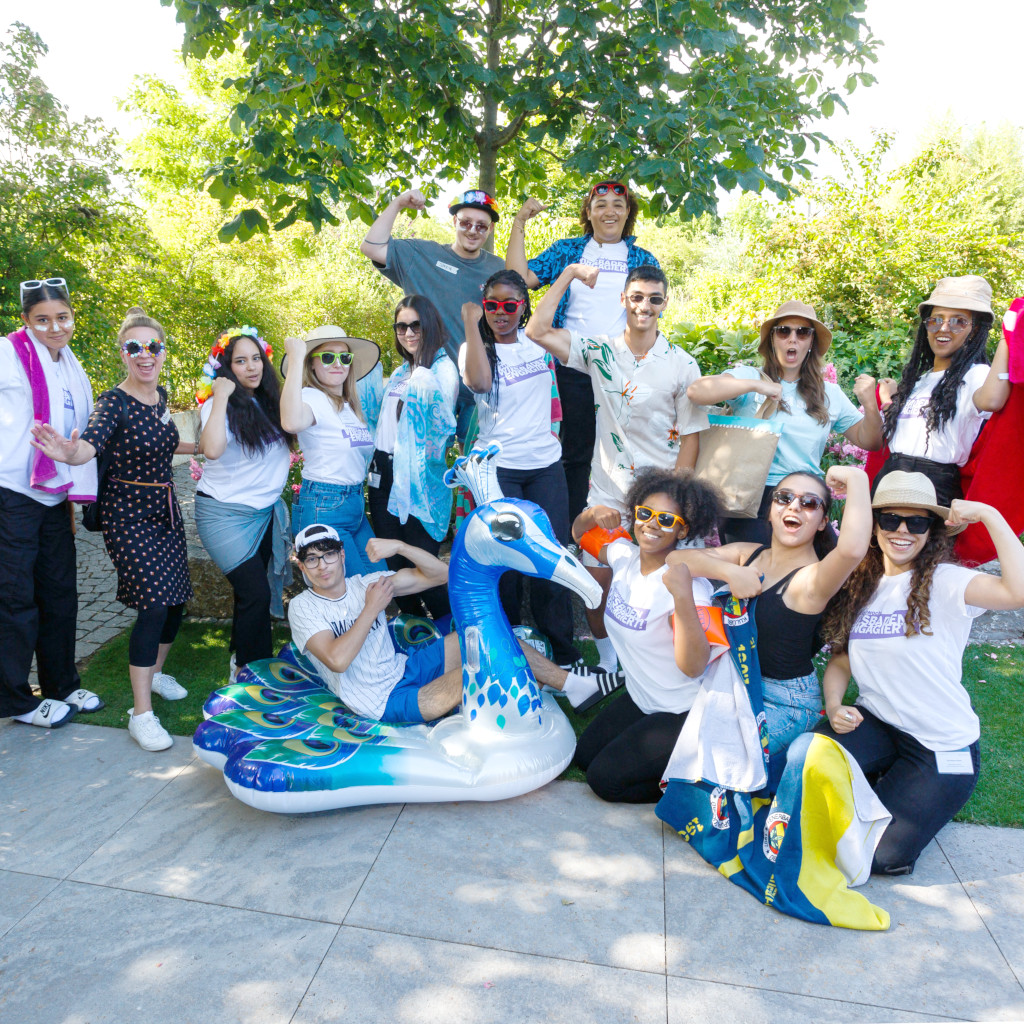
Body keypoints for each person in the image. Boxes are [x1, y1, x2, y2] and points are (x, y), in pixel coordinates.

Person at [817, 471, 1024, 875]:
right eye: (891, 518)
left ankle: (911, 794)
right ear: (875, 524)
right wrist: (834, 703)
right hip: (878, 722)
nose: (902, 530)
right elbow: (841, 660)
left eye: (917, 521)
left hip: (941, 744)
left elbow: (1016, 592)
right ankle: (885, 784)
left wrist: (988, 514)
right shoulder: (863, 584)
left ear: (932, 530)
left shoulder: (946, 582)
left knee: (883, 857)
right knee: (806, 765)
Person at [526, 262, 708, 671]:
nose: (645, 306)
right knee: (596, 587)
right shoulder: (598, 350)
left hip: (659, 501)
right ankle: (609, 662)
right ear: (623, 299)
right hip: (605, 493)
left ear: (664, 304)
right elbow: (536, 330)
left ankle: (654, 661)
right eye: (638, 297)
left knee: (659, 588)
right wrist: (570, 274)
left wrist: (677, 499)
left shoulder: (682, 363)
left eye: (655, 299)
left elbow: (692, 435)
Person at [31, 307, 195, 752]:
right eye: (134, 348)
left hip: (165, 511)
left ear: (163, 352)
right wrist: (69, 452)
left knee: (176, 601)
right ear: (123, 353)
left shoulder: (160, 396)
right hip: (127, 518)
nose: (145, 355)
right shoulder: (113, 402)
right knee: (155, 606)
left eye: (152, 347)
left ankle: (156, 674)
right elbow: (90, 446)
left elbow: (164, 439)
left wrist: (206, 446)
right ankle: (140, 714)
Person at [286, 524, 623, 722]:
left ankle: (573, 686)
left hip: (406, 667)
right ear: (302, 567)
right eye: (311, 559)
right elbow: (337, 660)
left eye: (328, 554)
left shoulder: (366, 584)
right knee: (488, 670)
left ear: (342, 556)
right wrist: (372, 609)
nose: (322, 565)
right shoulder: (303, 608)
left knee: (487, 634)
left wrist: (402, 546)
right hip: (381, 700)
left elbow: (440, 575)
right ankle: (544, 691)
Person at [667, 465, 873, 761]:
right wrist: (730, 572)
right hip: (732, 685)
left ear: (821, 522)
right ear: (770, 510)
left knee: (711, 763)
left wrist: (856, 478)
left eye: (809, 503)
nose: (795, 506)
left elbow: (852, 550)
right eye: (784, 497)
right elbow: (676, 558)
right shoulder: (747, 554)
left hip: (785, 703)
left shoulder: (813, 579)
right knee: (679, 759)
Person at [507, 181, 660, 527]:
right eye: (600, 205)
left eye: (618, 206)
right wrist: (519, 223)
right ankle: (568, 531)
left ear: (628, 214)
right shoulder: (569, 251)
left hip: (622, 368)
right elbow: (520, 279)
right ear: (588, 213)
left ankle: (622, 528)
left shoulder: (643, 259)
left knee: (620, 451)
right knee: (573, 453)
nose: (609, 211)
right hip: (570, 365)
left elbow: (653, 312)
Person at [571, 469, 722, 802]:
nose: (652, 524)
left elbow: (694, 666)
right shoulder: (623, 555)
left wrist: (681, 595)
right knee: (583, 756)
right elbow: (579, 533)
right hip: (642, 699)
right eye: (645, 514)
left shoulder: (692, 589)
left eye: (666, 519)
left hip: (681, 712)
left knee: (604, 781)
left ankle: (693, 782)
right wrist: (592, 513)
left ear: (683, 528)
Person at [459, 269, 580, 667]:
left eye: (509, 305)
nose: (500, 312)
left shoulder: (535, 341)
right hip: (499, 469)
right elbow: (478, 383)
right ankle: (510, 647)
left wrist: (571, 273)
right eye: (492, 305)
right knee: (506, 561)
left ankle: (562, 651)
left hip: (544, 465)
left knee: (551, 552)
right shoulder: (473, 347)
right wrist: (469, 324)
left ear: (522, 306)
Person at [687, 300, 883, 545]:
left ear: (812, 342)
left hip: (805, 499)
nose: (793, 339)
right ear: (772, 339)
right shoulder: (749, 377)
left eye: (802, 332)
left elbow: (870, 441)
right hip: (750, 496)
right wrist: (758, 385)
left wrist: (871, 404)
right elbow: (697, 391)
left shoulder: (829, 393)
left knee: (820, 575)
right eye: (784, 331)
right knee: (754, 575)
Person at [1, 277, 103, 729]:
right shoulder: (8, 353)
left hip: (53, 493)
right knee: (16, 599)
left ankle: (61, 683)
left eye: (62, 318)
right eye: (42, 320)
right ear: (25, 321)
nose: (54, 327)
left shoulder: (68, 363)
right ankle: (18, 701)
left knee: (60, 592)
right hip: (13, 493)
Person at [359, 188, 504, 441]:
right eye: (466, 222)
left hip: (480, 387)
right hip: (429, 383)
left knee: (476, 466)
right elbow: (371, 247)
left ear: (490, 230)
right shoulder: (421, 254)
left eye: (481, 226)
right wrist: (398, 203)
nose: (473, 230)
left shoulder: (499, 269)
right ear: (454, 222)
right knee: (424, 463)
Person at [195, 326, 293, 680]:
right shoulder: (217, 407)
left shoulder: (267, 401)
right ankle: (255, 672)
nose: (251, 367)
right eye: (240, 361)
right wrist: (220, 395)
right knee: (256, 592)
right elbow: (213, 449)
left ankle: (239, 657)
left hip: (263, 514)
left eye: (256, 358)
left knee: (248, 593)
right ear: (225, 368)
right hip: (223, 514)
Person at [876, 276, 1010, 506]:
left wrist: (1008, 338)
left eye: (958, 321)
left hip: (934, 486)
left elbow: (992, 401)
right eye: (935, 320)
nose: (943, 328)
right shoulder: (920, 380)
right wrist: (890, 399)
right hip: (891, 477)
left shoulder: (975, 375)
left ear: (976, 330)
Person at [368, 296, 458, 620]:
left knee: (424, 570)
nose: (408, 333)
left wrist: (422, 380)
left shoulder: (442, 369)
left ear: (430, 325)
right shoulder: (398, 373)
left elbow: (442, 426)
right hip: (383, 475)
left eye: (415, 325)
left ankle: (452, 637)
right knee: (394, 566)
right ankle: (415, 636)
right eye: (401, 326)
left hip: (420, 481)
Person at [280, 325, 380, 574]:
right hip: (325, 504)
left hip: (354, 503)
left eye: (344, 357)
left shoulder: (348, 406)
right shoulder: (311, 397)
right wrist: (295, 359)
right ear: (311, 364)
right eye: (327, 357)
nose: (338, 363)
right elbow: (291, 422)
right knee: (357, 590)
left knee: (378, 580)